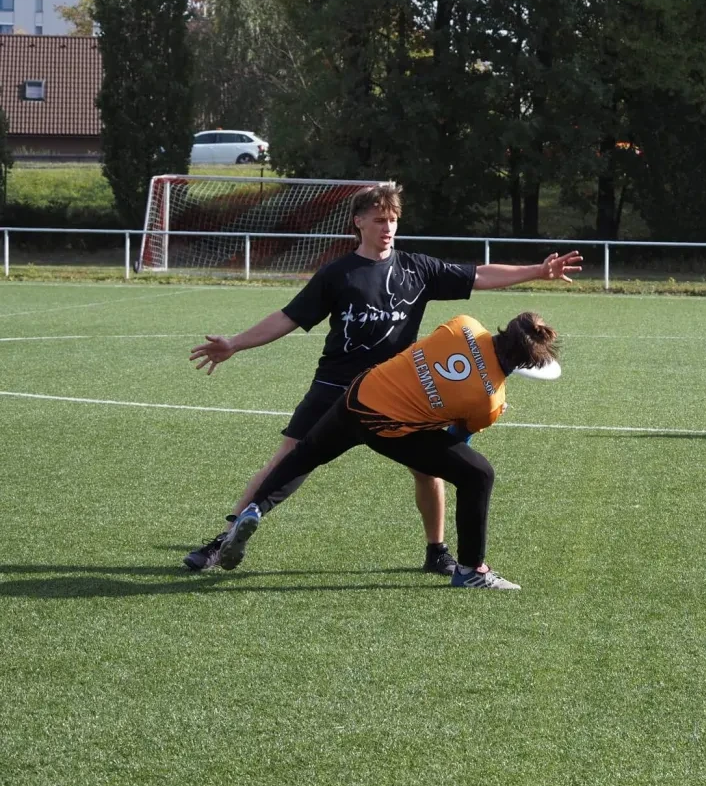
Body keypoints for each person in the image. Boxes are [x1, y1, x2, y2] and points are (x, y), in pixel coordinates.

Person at [182, 185, 582, 574]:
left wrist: (537, 271)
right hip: (336, 386)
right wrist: (235, 343)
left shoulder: (416, 269)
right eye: (378, 220)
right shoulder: (338, 274)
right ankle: (225, 539)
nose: (387, 227)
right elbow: (288, 317)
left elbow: (477, 275)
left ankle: (437, 552)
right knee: (287, 460)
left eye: (393, 219)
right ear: (358, 222)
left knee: (428, 471)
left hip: (399, 396)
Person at [216, 312, 559, 591]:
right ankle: (471, 570)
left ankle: (255, 508)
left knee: (306, 455)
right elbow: (456, 442)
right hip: (387, 430)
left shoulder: (463, 324)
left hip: (361, 392)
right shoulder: (491, 400)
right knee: (478, 474)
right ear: (525, 364)